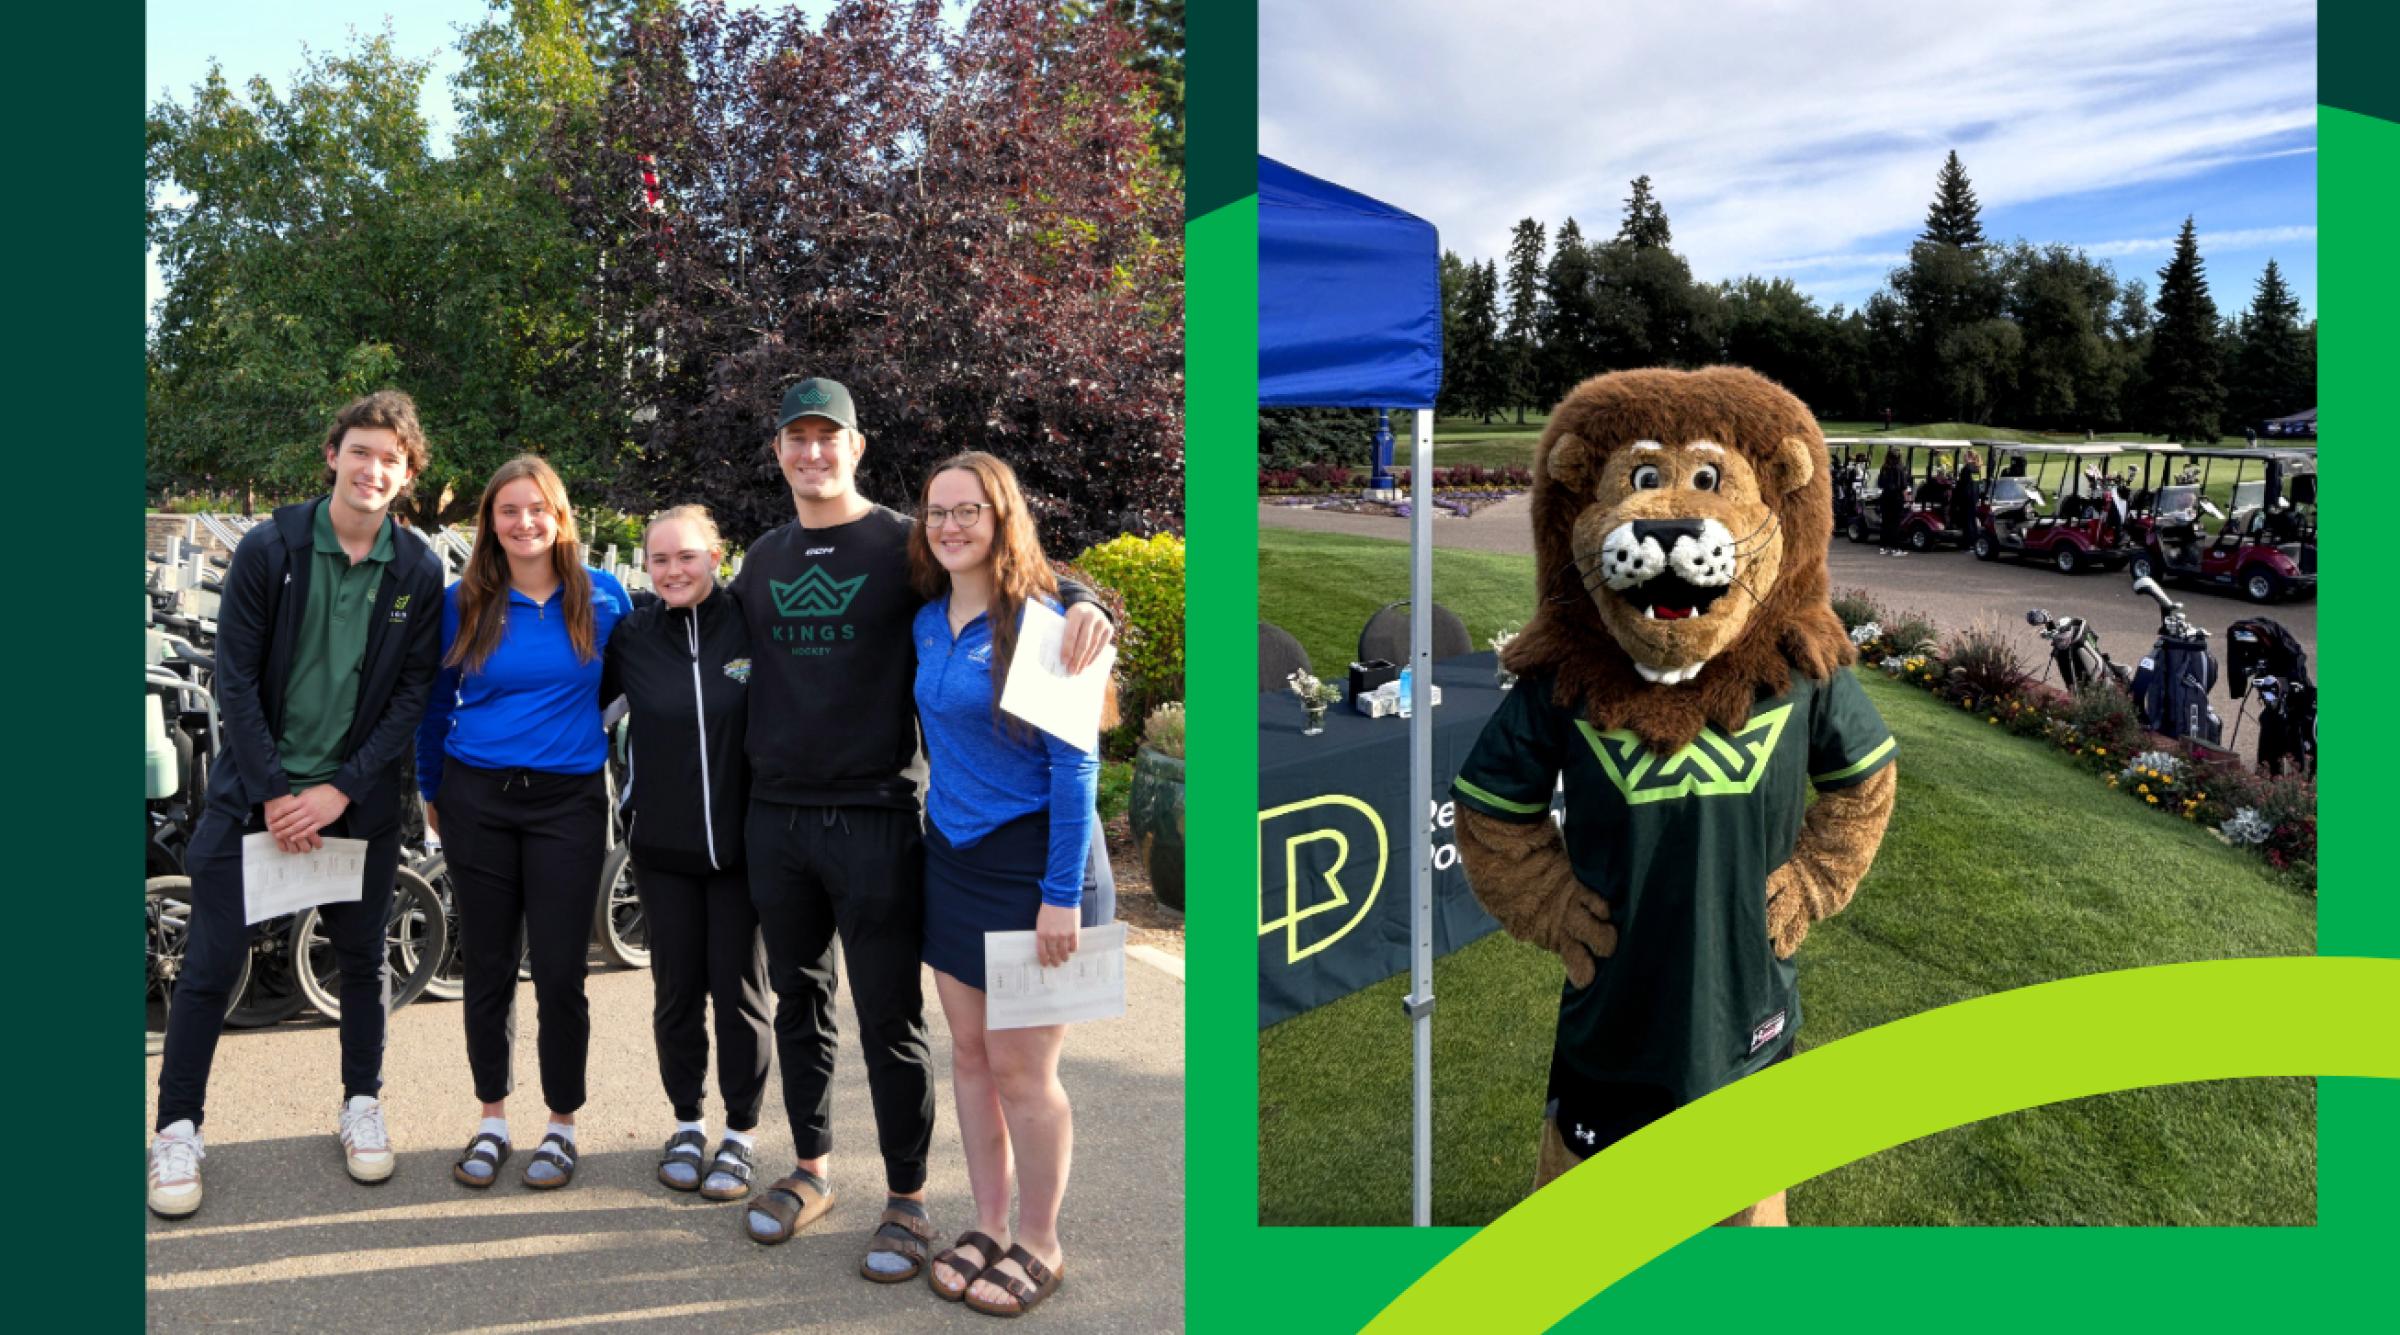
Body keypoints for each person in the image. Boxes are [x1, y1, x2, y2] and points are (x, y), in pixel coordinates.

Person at [727, 377, 1113, 1283]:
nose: (813, 452)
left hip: (893, 824)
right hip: (816, 825)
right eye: (797, 438)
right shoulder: (770, 560)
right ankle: (816, 1169)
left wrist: (1092, 598)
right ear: (779, 451)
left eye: (831, 437)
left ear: (857, 447)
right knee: (821, 1007)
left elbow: (1022, 578)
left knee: (910, 1026)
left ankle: (918, 1203)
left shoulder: (903, 543)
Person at [148, 390, 447, 1219]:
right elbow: (232, 677)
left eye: (391, 458)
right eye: (360, 450)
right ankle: (177, 1126)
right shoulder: (271, 547)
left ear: (408, 473)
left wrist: (338, 790)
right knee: (211, 967)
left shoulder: (418, 570)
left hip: (354, 804)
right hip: (256, 797)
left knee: (360, 961)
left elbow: (412, 692)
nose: (373, 468)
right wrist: (281, 794)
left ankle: (361, 1103)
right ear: (333, 454)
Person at [910, 453, 1101, 1317]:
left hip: (1040, 870)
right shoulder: (924, 621)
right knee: (974, 1058)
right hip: (951, 859)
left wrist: (1061, 895)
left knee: (1027, 1072)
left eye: (969, 511)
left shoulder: (1045, 623)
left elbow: (1075, 771)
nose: (951, 526)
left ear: (1001, 518)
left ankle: (1041, 1241)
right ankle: (987, 1224)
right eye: (937, 512)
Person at [418, 455, 633, 1192]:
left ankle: (562, 1124)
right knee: (486, 963)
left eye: (536, 507)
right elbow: (435, 702)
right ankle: (492, 1119)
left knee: (563, 972)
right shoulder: (464, 599)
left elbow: (620, 689)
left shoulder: (602, 599)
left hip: (567, 803)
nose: (523, 521)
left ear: (560, 515)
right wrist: (431, 787)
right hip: (476, 797)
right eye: (508, 510)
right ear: (490, 522)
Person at [600, 505, 775, 1202]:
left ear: (717, 556)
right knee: (675, 994)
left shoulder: (750, 621)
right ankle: (686, 1122)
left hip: (741, 851)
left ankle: (739, 1133)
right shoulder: (634, 636)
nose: (673, 570)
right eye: (660, 559)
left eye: (688, 556)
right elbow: (580, 708)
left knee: (740, 994)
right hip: (661, 850)